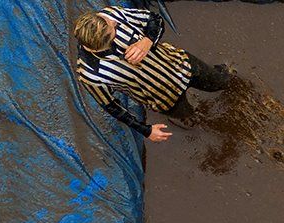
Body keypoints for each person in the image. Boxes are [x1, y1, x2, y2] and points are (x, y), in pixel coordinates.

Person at [73, 6, 233, 142]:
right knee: (192, 120)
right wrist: (146, 130)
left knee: (222, 82)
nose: (114, 22)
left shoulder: (110, 15)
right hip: (164, 98)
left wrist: (147, 41)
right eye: (112, 28)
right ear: (104, 45)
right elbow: (111, 105)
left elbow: (154, 19)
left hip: (181, 64)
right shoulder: (89, 74)